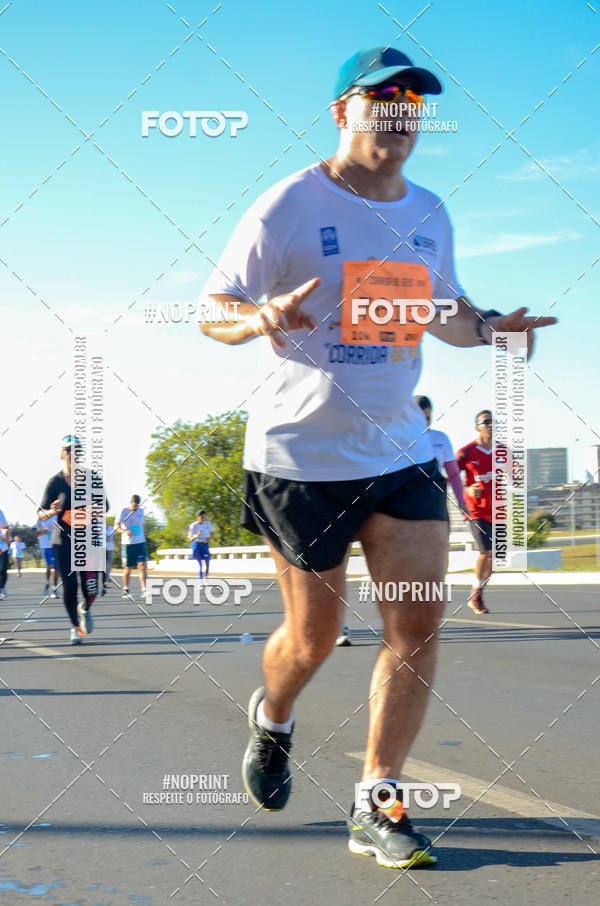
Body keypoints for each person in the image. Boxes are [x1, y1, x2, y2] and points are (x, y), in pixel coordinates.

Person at [198, 45, 556, 869]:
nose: (398, 113)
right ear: (342, 112)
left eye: (413, 103)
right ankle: (274, 717)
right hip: (300, 455)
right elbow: (213, 309)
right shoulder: (287, 203)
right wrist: (257, 320)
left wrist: (492, 326)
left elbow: (450, 315)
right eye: (381, 98)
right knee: (313, 639)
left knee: (417, 620)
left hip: (397, 451)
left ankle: (376, 799)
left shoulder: (430, 211)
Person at [38, 436, 108, 644]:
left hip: (87, 540)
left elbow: (105, 506)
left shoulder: (92, 477)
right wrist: (52, 511)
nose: (73, 453)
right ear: (62, 454)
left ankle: (85, 608)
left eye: (77, 449)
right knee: (69, 586)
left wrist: (89, 510)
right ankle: (75, 626)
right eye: (69, 449)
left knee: (91, 589)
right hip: (63, 540)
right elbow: (41, 512)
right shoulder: (55, 482)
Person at [456, 410, 498, 615]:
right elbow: (450, 477)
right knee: (486, 551)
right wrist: (467, 490)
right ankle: (475, 595)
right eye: (486, 421)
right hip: (474, 511)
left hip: (497, 511)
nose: (491, 425)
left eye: (493, 421)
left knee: (494, 559)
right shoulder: (466, 452)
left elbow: (515, 476)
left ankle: (478, 592)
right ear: (477, 426)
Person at [415, 396, 467, 517]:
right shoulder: (400, 439)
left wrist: (461, 500)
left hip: (435, 501)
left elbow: (453, 474)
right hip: (407, 502)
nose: (425, 422)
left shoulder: (441, 438)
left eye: (428, 418)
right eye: (420, 418)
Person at [117, 495, 148, 598]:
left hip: (140, 543)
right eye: (134, 505)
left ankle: (144, 589)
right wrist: (125, 531)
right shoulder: (123, 511)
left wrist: (144, 538)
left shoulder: (141, 511)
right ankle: (126, 590)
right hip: (128, 544)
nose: (136, 508)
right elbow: (116, 527)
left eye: (137, 506)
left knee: (142, 566)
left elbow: (143, 525)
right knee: (128, 568)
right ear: (130, 503)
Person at [33, 515, 60, 597]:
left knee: (57, 568)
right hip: (46, 546)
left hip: (57, 545)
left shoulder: (57, 516)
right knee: (50, 565)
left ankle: (55, 588)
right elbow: (33, 530)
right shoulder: (41, 517)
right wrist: (42, 531)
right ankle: (47, 582)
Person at [187, 509, 214, 581]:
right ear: (197, 517)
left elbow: (212, 534)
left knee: (207, 561)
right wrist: (197, 535)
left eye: (204, 517)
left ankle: (206, 576)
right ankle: (200, 580)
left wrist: (210, 538)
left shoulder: (208, 524)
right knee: (200, 565)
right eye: (201, 517)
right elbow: (190, 538)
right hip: (196, 544)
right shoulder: (193, 525)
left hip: (204, 544)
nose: (203, 519)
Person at [102, 522, 116, 595]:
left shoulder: (111, 528)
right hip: (102, 549)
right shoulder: (98, 527)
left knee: (109, 565)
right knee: (105, 566)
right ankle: (105, 581)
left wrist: (117, 547)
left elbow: (114, 538)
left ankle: (106, 580)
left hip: (111, 549)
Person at [0, 509, 10, 599]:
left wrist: (6, 539)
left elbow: (5, 527)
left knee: (3, 570)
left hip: (3, 545)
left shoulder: (0, 512)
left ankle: (2, 587)